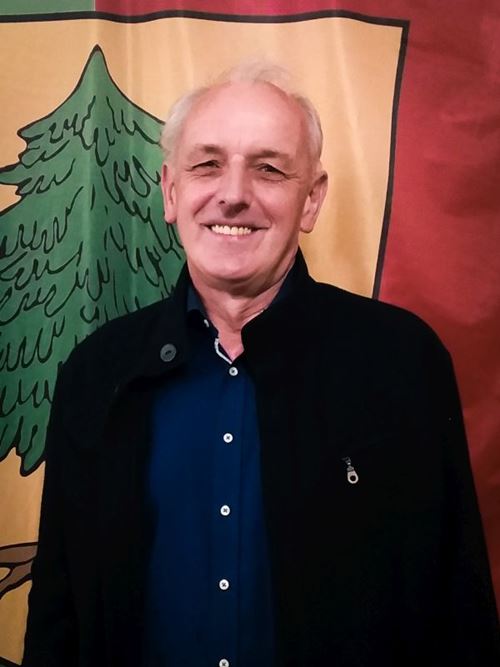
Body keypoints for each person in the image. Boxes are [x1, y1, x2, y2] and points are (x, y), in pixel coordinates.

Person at [23, 63, 499, 667]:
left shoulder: (404, 365)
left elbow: (458, 614)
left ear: (311, 200)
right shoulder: (97, 374)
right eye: (207, 164)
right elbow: (59, 616)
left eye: (269, 168)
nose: (233, 193)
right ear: (171, 192)